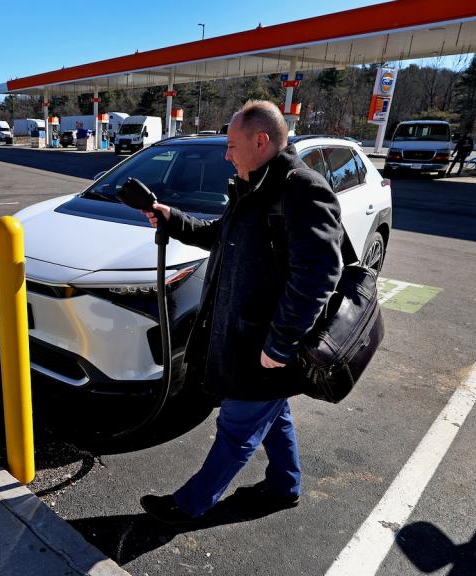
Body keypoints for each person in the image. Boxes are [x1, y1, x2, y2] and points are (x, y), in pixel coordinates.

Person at [138, 100, 344, 525]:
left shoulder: (300, 188)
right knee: (273, 412)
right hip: (243, 337)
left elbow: (320, 272)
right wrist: (171, 217)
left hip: (266, 344)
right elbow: (221, 235)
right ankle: (285, 486)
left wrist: (281, 341)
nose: (227, 154)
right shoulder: (251, 184)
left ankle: (189, 504)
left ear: (261, 140)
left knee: (237, 428)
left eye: (232, 145)